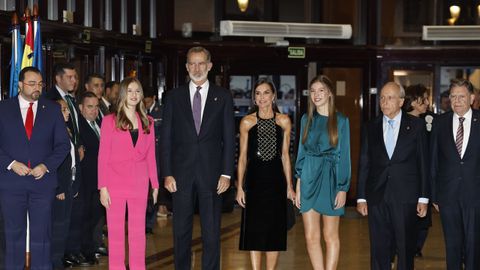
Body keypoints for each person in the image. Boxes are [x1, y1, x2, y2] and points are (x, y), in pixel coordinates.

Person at [160, 46, 235, 270]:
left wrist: (226, 173)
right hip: (180, 175)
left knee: (211, 232)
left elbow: (229, 138)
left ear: (210, 66)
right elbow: (166, 139)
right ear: (186, 67)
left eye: (201, 63)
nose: (196, 68)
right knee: (181, 231)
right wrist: (167, 173)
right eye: (192, 63)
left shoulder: (222, 97)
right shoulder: (173, 97)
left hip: (212, 175)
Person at [0, 66, 70, 269]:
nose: (36, 88)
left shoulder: (53, 109)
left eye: (40, 84)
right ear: (20, 84)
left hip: (43, 183)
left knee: (42, 236)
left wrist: (46, 166)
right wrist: (11, 164)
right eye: (31, 83)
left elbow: (63, 145)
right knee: (13, 236)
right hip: (11, 183)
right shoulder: (3, 109)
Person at [356, 82, 429, 270]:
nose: (384, 102)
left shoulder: (417, 126)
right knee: (379, 247)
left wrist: (423, 197)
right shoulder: (370, 127)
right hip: (377, 196)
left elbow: (423, 163)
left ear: (401, 101)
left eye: (390, 97)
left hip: (405, 196)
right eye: (382, 97)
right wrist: (361, 197)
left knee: (405, 247)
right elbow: (364, 163)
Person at [98, 77, 159, 269]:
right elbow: (103, 156)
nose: (134, 95)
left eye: (137, 91)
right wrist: (103, 187)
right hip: (114, 183)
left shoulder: (148, 121)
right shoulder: (109, 121)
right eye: (130, 91)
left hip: (139, 184)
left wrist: (155, 184)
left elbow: (151, 156)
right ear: (123, 94)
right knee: (115, 233)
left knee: (138, 232)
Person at [236, 79, 295, 269]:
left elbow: (285, 156)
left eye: (266, 93)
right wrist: (239, 187)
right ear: (254, 98)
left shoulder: (284, 121)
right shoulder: (247, 122)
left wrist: (290, 186)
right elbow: (243, 157)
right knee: (254, 229)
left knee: (274, 230)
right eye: (258, 93)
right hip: (254, 180)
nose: (262, 97)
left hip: (276, 181)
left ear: (273, 96)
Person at [294, 75, 351, 270]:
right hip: (308, 177)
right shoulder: (306, 119)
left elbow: (344, 156)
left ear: (329, 93)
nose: (316, 95)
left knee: (330, 235)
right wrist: (298, 186)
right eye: (313, 91)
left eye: (321, 90)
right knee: (311, 236)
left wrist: (343, 188)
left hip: (330, 179)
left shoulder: (341, 120)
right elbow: (301, 154)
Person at [430, 78, 480, 270]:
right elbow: (433, 161)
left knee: (474, 247)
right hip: (447, 196)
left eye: (462, 96)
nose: (457, 101)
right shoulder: (439, 123)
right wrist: (434, 194)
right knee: (452, 247)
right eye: (453, 96)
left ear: (472, 98)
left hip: (475, 196)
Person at [402, 84, 433, 257]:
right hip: (407, 179)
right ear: (414, 101)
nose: (428, 102)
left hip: (425, 177)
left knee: (424, 220)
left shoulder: (430, 120)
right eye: (424, 98)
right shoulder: (400, 122)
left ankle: (415, 248)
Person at [51, 98, 81, 269]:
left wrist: (74, 185)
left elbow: (73, 160)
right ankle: (54, 262)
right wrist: (59, 187)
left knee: (65, 227)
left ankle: (59, 260)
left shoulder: (66, 130)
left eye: (67, 109)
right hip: (60, 189)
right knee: (58, 228)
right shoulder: (52, 133)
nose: (68, 112)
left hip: (69, 185)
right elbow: (53, 164)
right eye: (63, 109)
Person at [143, 90, 170, 236]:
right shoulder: (140, 111)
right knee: (144, 191)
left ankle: (149, 223)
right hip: (143, 156)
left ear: (153, 97)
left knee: (155, 189)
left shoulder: (162, 111)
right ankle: (142, 221)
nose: (146, 104)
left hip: (158, 156)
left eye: (148, 101)